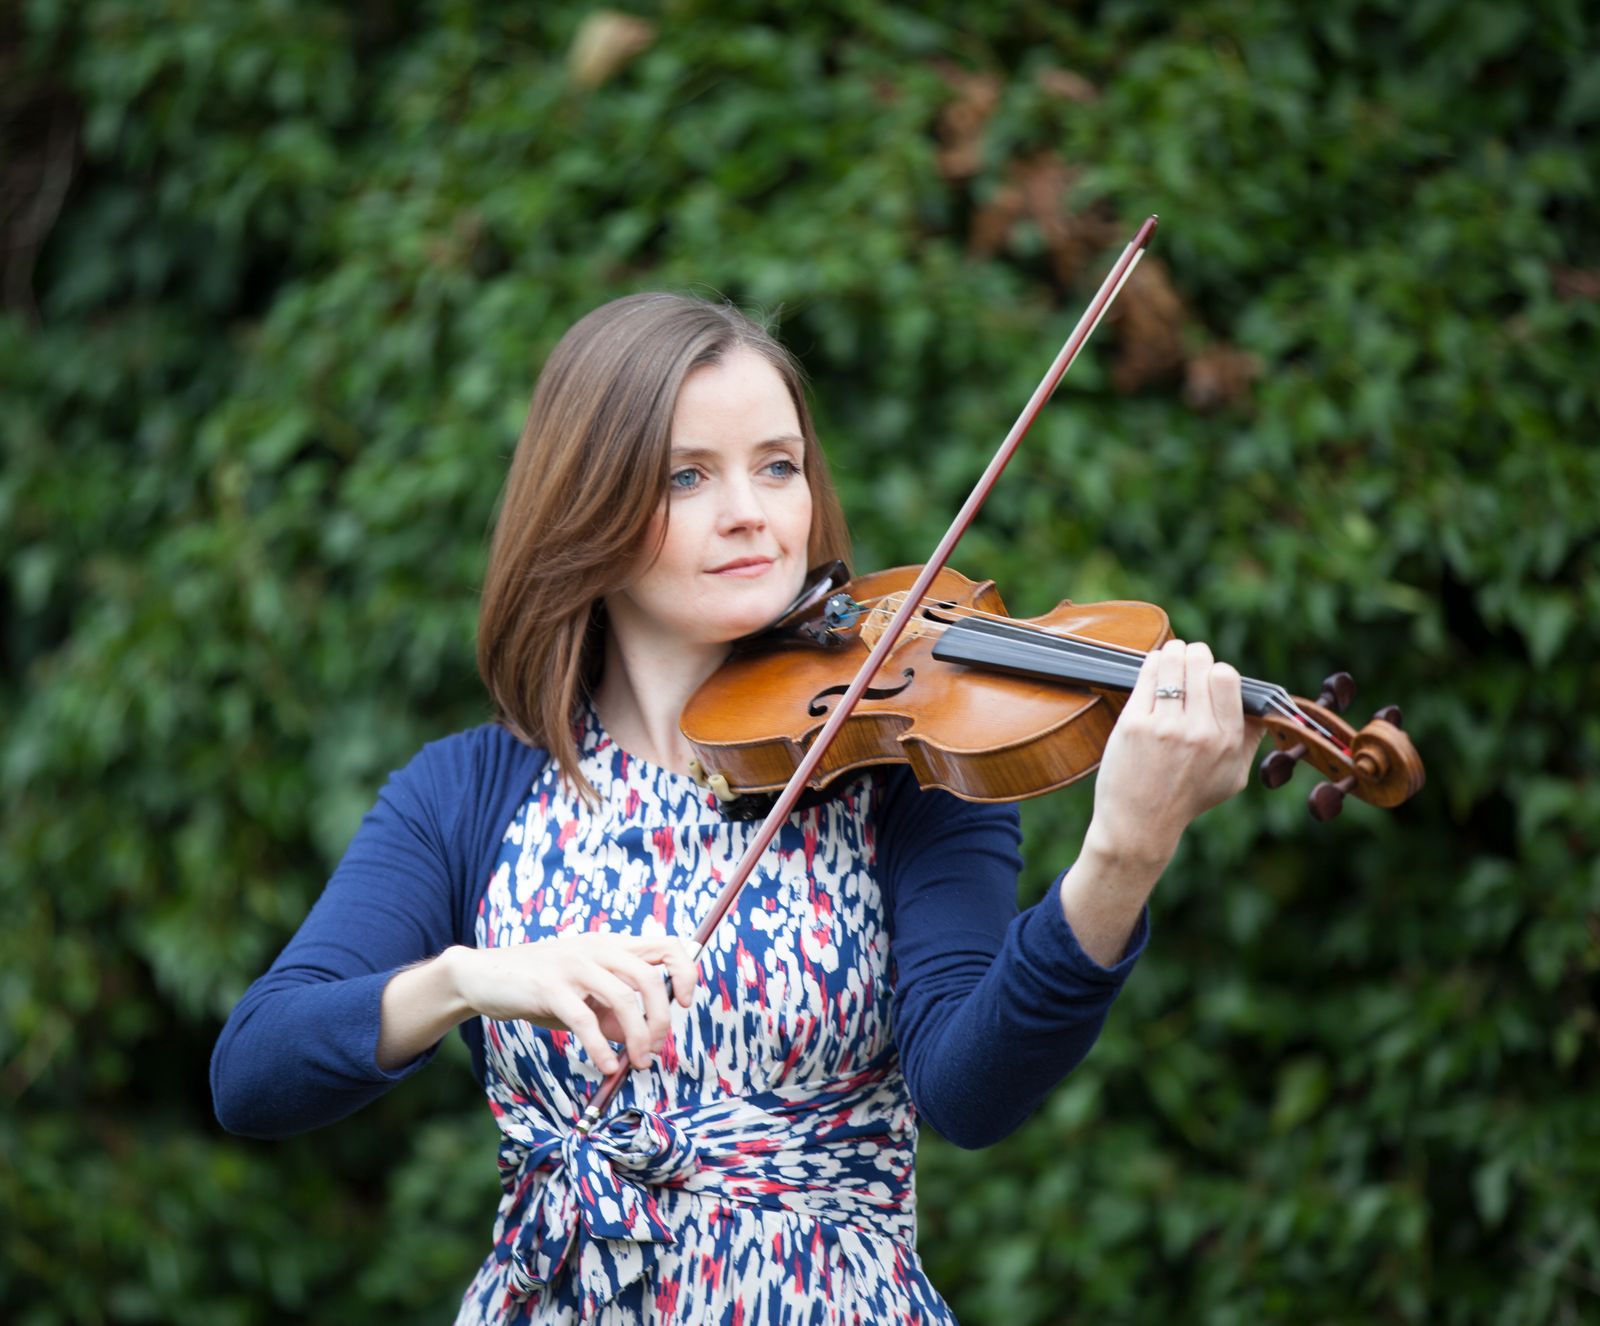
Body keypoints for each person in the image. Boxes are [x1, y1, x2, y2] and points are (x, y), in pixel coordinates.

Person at [211, 292, 1263, 1324]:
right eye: (687, 476)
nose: (750, 512)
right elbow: (254, 1070)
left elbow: (970, 1093)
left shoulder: (897, 766)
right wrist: (466, 980)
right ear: (588, 506)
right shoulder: (471, 791)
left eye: (777, 466)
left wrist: (1123, 855)